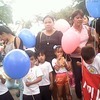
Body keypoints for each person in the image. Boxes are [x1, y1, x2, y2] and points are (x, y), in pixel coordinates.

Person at [35, 15, 63, 100]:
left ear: (53, 23)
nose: (48, 24)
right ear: (43, 24)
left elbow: (63, 47)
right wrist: (37, 60)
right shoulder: (39, 34)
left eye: (49, 22)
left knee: (57, 84)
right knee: (46, 84)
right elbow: (37, 49)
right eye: (45, 22)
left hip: (56, 61)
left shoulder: (59, 33)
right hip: (44, 63)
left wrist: (62, 60)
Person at [69, 9, 90, 99]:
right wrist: (76, 49)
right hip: (75, 57)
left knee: (88, 76)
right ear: (73, 19)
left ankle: (88, 94)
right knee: (78, 78)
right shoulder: (70, 32)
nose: (80, 19)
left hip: (87, 57)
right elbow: (68, 47)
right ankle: (79, 96)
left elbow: (90, 40)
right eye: (77, 18)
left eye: (81, 17)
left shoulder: (87, 28)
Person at [0, 25, 24, 100]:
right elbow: (5, 56)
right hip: (9, 68)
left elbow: (19, 53)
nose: (1, 39)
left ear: (3, 33)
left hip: (18, 66)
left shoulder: (16, 39)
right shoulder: (5, 42)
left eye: (1, 37)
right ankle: (19, 87)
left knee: (22, 86)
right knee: (9, 85)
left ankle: (21, 94)